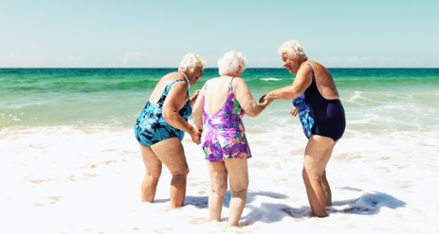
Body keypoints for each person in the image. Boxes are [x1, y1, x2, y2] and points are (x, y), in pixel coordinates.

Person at [263, 40, 345, 217]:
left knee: (309, 174)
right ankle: (327, 209)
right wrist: (301, 105)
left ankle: (320, 217)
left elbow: (295, 90)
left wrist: (270, 95)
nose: (283, 63)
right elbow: (315, 92)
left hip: (326, 126)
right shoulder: (314, 66)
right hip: (334, 123)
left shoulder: (307, 67)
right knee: (319, 172)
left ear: (296, 56)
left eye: (286, 58)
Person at [192, 51, 271, 226]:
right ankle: (232, 228)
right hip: (231, 140)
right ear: (238, 68)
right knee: (239, 189)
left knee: (215, 188)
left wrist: (199, 130)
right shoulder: (236, 82)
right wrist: (266, 102)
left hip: (210, 139)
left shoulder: (208, 84)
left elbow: (196, 112)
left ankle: (213, 226)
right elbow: (251, 110)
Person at [134, 53, 207, 208]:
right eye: (199, 71)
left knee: (151, 173)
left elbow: (169, 105)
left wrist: (192, 100)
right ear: (189, 69)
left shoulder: (171, 77)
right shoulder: (181, 84)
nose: (201, 74)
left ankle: (144, 210)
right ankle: (176, 213)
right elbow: (169, 113)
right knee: (180, 172)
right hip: (160, 131)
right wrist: (192, 131)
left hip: (143, 127)